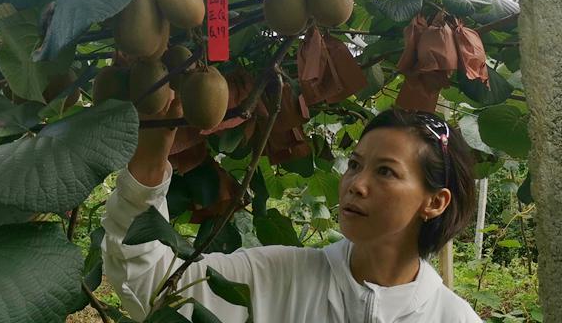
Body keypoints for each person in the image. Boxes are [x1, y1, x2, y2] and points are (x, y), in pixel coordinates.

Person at [101, 95, 483, 323]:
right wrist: (151, 159)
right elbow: (153, 284)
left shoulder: (453, 317)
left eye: (385, 171)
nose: (356, 185)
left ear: (435, 202)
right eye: (354, 165)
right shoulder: (274, 276)